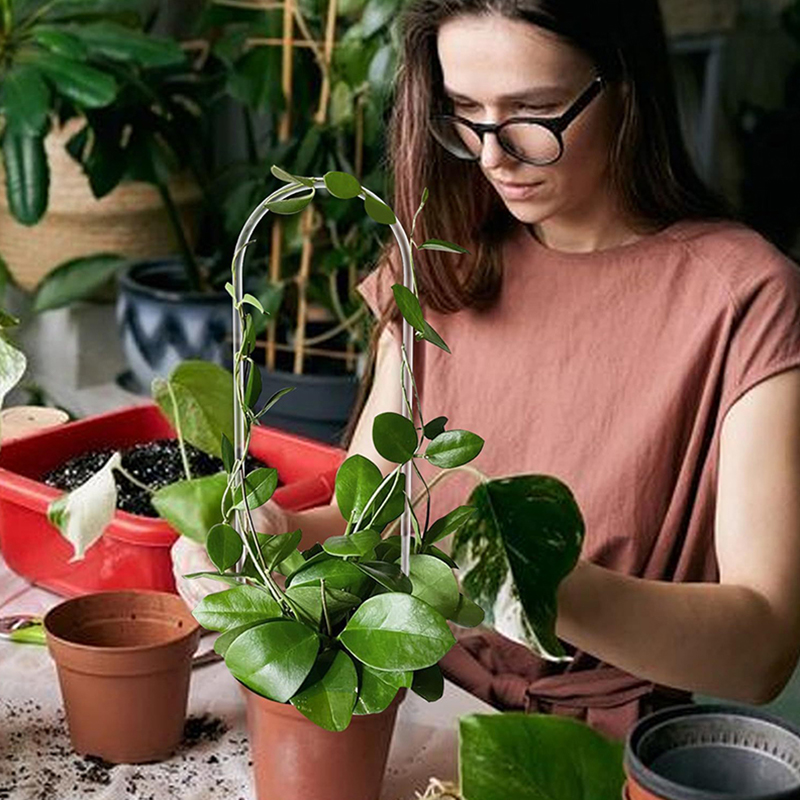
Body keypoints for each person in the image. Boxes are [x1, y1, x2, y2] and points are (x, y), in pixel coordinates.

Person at [173, 0, 800, 741]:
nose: (493, 155)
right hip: (404, 695)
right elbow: (373, 513)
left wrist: (522, 575)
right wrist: (278, 535)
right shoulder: (445, 256)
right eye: (465, 112)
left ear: (625, 89)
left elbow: (762, 650)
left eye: (533, 112)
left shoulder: (744, 297)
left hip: (591, 749)